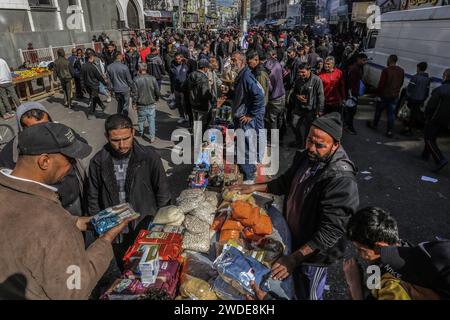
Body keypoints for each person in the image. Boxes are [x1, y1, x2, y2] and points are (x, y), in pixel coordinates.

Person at [0, 122, 136, 299]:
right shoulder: (52, 221)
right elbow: (75, 289)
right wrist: (106, 240)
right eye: (70, 159)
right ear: (44, 161)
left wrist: (78, 222)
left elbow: (23, 228)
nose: (73, 166)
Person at [230, 113, 359, 300]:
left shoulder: (340, 179)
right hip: (296, 240)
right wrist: (252, 187)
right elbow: (285, 182)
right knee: (294, 287)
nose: (311, 149)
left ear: (335, 145)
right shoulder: (307, 156)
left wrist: (294, 258)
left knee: (310, 293)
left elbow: (331, 231)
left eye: (320, 145)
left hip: (315, 255)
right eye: (309, 141)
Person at [87, 114, 172, 267]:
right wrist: (99, 227)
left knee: (149, 265)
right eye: (115, 140)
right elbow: (93, 198)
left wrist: (162, 222)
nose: (122, 145)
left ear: (133, 133)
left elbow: (162, 191)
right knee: (125, 265)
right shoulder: (98, 162)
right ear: (106, 136)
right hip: (115, 229)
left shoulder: (149, 157)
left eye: (126, 138)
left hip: (145, 224)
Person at [0, 102, 87, 216]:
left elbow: (82, 145)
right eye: (34, 129)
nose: (43, 131)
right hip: (45, 211)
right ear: (22, 129)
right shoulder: (10, 153)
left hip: (74, 198)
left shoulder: (61, 132)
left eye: (46, 124)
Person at [344, 207, 447, 300]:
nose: (357, 253)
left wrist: (354, 284)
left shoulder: (394, 290)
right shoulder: (405, 249)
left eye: (361, 249)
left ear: (379, 246)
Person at [229, 51, 266, 184]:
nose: (232, 63)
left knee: (245, 145)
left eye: (234, 60)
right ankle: (247, 169)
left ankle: (249, 175)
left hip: (245, 117)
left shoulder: (246, 76)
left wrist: (251, 114)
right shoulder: (242, 74)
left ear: (242, 61)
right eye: (231, 60)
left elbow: (260, 96)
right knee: (243, 144)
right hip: (241, 115)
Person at [367, 54, 405, 138]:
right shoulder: (401, 70)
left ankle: (375, 125)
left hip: (385, 94)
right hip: (394, 95)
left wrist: (378, 94)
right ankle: (389, 131)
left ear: (390, 60)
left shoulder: (386, 70)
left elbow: (381, 84)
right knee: (391, 114)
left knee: (378, 111)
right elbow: (401, 82)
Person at [288, 63, 325, 149]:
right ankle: (299, 141)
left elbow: (321, 96)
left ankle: (305, 145)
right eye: (299, 72)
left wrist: (319, 111)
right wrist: (298, 96)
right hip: (299, 108)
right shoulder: (298, 80)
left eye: (303, 72)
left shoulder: (317, 80)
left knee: (308, 130)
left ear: (309, 71)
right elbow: (294, 92)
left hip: (311, 110)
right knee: (294, 124)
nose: (301, 74)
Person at [421, 68, 450, 173]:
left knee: (429, 139)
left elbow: (431, 105)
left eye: (443, 75)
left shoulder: (440, 90)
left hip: (434, 118)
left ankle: (440, 159)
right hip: (445, 120)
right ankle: (425, 155)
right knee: (432, 137)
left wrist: (427, 115)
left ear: (446, 76)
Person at [132, 63, 160, 143]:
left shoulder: (136, 79)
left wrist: (134, 103)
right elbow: (157, 90)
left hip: (141, 104)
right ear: (146, 68)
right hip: (151, 102)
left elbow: (135, 93)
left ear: (139, 69)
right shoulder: (152, 78)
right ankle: (152, 137)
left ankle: (141, 132)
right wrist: (157, 98)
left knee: (141, 119)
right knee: (151, 121)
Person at [264, 49, 287, 143]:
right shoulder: (278, 64)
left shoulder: (267, 68)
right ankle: (281, 137)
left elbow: (268, 88)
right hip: (282, 95)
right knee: (281, 117)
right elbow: (285, 74)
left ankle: (274, 140)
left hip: (274, 98)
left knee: (273, 120)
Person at [403, 62, 431, 135]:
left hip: (412, 99)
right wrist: (423, 99)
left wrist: (407, 98)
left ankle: (406, 129)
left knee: (408, 114)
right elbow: (427, 91)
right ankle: (410, 129)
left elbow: (409, 89)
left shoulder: (415, 77)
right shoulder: (427, 79)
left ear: (418, 68)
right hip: (420, 100)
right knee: (414, 115)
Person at [187, 59, 213, 133]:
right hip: (202, 104)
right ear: (204, 67)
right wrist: (212, 98)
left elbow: (186, 88)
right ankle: (198, 141)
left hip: (193, 103)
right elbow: (205, 93)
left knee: (196, 122)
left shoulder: (191, 75)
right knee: (202, 123)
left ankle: (196, 138)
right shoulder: (204, 78)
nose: (207, 69)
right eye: (207, 67)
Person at [344, 53, 368, 135]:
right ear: (358, 59)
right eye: (363, 60)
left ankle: (347, 125)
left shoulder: (358, 68)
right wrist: (350, 96)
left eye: (365, 61)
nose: (364, 62)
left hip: (353, 93)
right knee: (351, 111)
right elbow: (350, 83)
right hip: (352, 94)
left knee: (350, 111)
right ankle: (349, 127)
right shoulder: (355, 69)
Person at [81, 50, 107, 119]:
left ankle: (102, 106)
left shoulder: (83, 66)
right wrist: (105, 83)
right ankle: (91, 113)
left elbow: (81, 77)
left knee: (94, 97)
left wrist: (82, 86)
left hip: (87, 86)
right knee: (93, 98)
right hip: (94, 85)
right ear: (92, 57)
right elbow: (99, 76)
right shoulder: (93, 66)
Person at [107, 52, 134, 116]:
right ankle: (124, 118)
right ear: (120, 57)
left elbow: (109, 81)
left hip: (116, 89)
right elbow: (129, 80)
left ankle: (119, 117)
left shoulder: (109, 67)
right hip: (125, 89)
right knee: (125, 105)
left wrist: (110, 90)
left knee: (119, 103)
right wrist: (133, 87)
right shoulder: (124, 67)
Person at [169, 53, 190, 124]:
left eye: (179, 59)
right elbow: (171, 79)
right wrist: (172, 90)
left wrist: (186, 61)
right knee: (179, 104)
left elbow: (193, 67)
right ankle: (182, 116)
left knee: (184, 103)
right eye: (176, 59)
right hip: (176, 88)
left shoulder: (186, 65)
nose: (178, 60)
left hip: (184, 89)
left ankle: (187, 115)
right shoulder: (172, 67)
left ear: (182, 58)